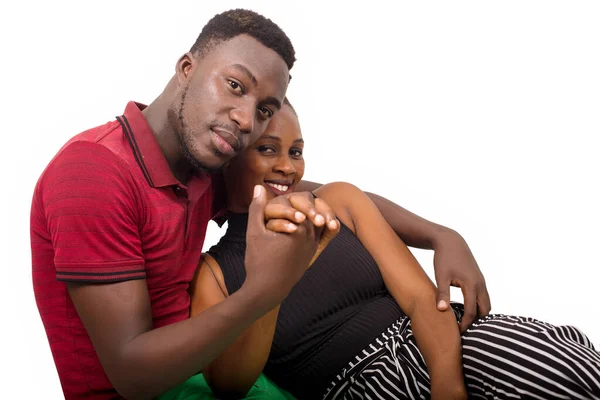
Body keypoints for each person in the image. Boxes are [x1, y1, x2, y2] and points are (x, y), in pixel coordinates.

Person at [30, 8, 489, 400]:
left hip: (210, 367)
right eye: (234, 85)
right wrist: (263, 292)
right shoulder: (94, 171)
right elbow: (131, 375)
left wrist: (440, 235)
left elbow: (313, 191)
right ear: (187, 67)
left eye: (265, 108)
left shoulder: (202, 164)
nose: (247, 119)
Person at [191, 99, 600, 400]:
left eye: (295, 151)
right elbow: (230, 385)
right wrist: (272, 280)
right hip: (355, 387)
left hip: (437, 342)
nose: (288, 166)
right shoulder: (214, 273)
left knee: (557, 369)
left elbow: (422, 299)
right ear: (229, 158)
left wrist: (446, 386)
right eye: (267, 149)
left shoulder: (340, 200)